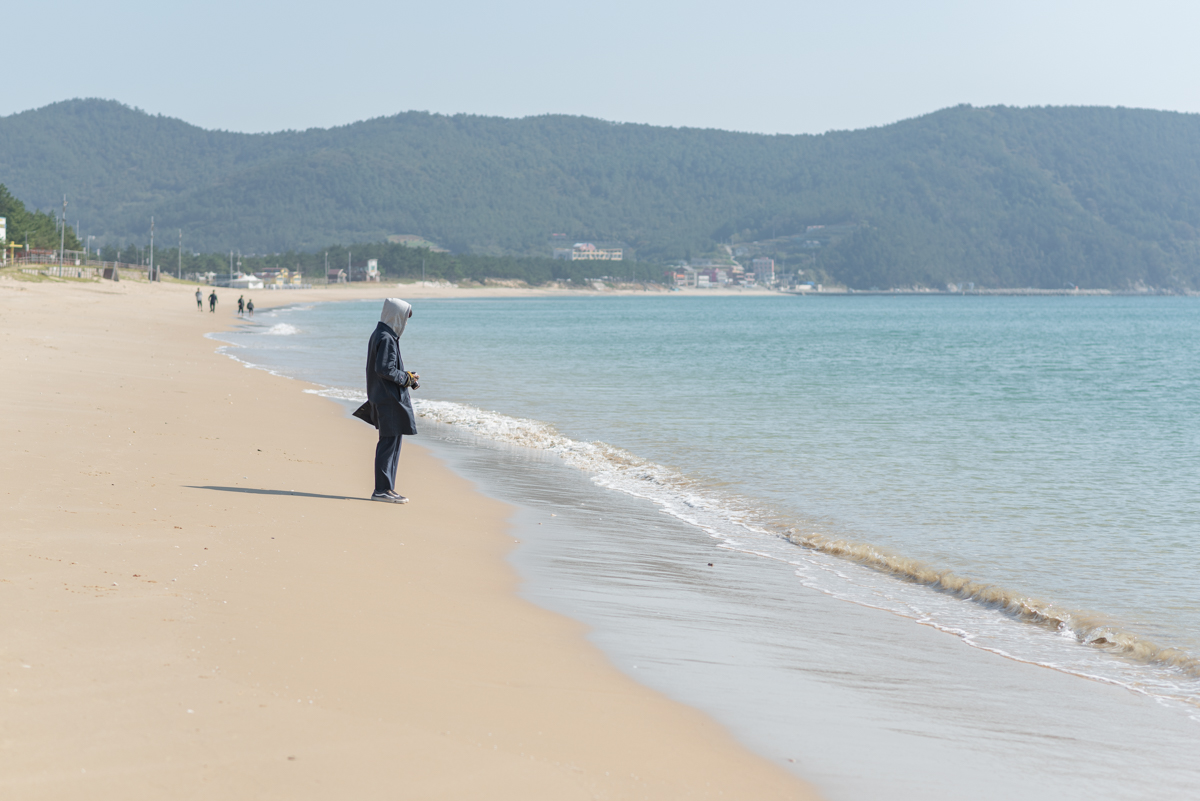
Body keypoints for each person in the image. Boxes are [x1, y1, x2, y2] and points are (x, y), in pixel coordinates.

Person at [365, 298, 418, 503]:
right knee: (389, 444)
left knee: (392, 443)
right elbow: (384, 369)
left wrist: (408, 377)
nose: (405, 322)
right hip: (388, 399)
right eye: (405, 317)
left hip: (384, 396)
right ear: (396, 316)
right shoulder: (386, 337)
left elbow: (385, 368)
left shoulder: (382, 334)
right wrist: (405, 378)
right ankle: (382, 490)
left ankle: (387, 488)